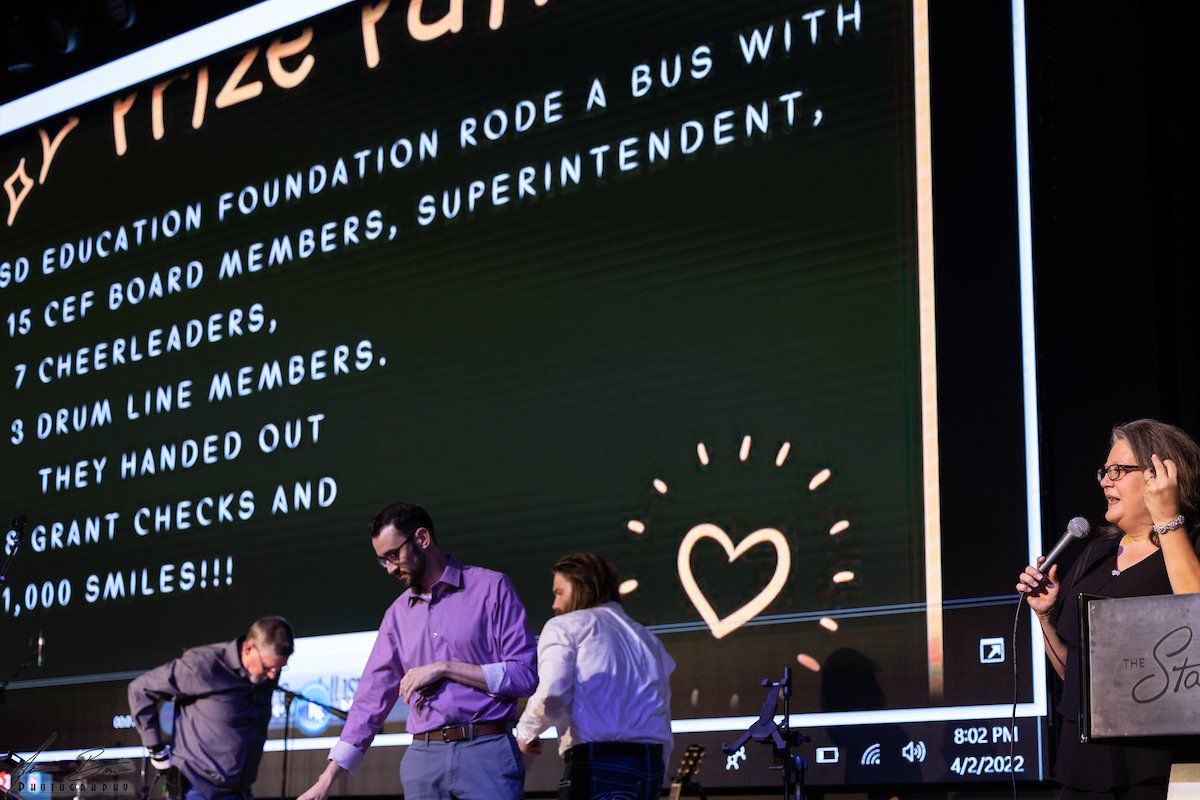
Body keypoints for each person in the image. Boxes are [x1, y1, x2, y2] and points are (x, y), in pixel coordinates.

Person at [297, 502, 537, 800]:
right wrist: (326, 780)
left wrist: (445, 668)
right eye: (382, 560)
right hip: (424, 759)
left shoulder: (490, 588)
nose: (390, 568)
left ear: (422, 538)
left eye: (393, 555)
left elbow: (524, 675)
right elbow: (370, 701)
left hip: (486, 751)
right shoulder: (396, 615)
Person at [1018, 419, 1200, 799]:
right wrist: (1046, 617)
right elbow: (1076, 677)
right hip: (1084, 763)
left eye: (1118, 470)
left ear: (1160, 474)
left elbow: (1194, 613)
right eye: (1105, 471)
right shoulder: (1095, 554)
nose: (1105, 481)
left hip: (1159, 764)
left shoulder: (1190, 544)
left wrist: (1167, 520)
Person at [516, 552, 674, 800]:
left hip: (598, 763)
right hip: (650, 766)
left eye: (559, 592)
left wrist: (525, 733)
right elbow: (662, 709)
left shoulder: (565, 626)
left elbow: (553, 693)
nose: (555, 604)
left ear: (582, 587)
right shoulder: (647, 638)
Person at [127, 616, 294, 800]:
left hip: (240, 791)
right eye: (267, 667)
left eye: (279, 669)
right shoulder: (204, 665)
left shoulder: (266, 676)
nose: (272, 676)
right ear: (248, 649)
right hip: (196, 788)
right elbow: (140, 689)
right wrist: (156, 750)